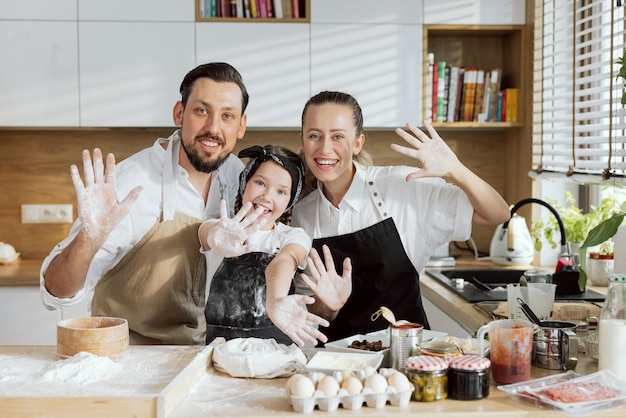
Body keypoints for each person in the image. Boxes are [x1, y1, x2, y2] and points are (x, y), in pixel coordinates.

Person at [39, 62, 249, 345]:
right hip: (127, 356)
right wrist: (89, 239)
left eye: (227, 116)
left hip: (204, 354)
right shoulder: (130, 184)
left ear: (241, 126)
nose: (213, 128)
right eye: (201, 111)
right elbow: (56, 293)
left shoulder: (240, 178)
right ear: (179, 113)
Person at [291, 91, 511, 342]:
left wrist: (455, 169)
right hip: (339, 363)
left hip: (408, 357)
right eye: (314, 136)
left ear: (357, 143)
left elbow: (498, 214)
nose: (325, 148)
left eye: (338, 136)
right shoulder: (303, 214)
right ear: (303, 141)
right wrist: (328, 307)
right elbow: (313, 315)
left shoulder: (403, 186)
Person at [199, 145, 329, 347]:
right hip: (220, 349)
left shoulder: (293, 236)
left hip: (274, 349)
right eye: (260, 182)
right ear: (244, 183)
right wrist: (215, 236)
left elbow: (285, 261)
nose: (267, 196)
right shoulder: (222, 227)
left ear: (290, 200)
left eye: (281, 191)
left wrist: (276, 301)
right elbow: (206, 233)